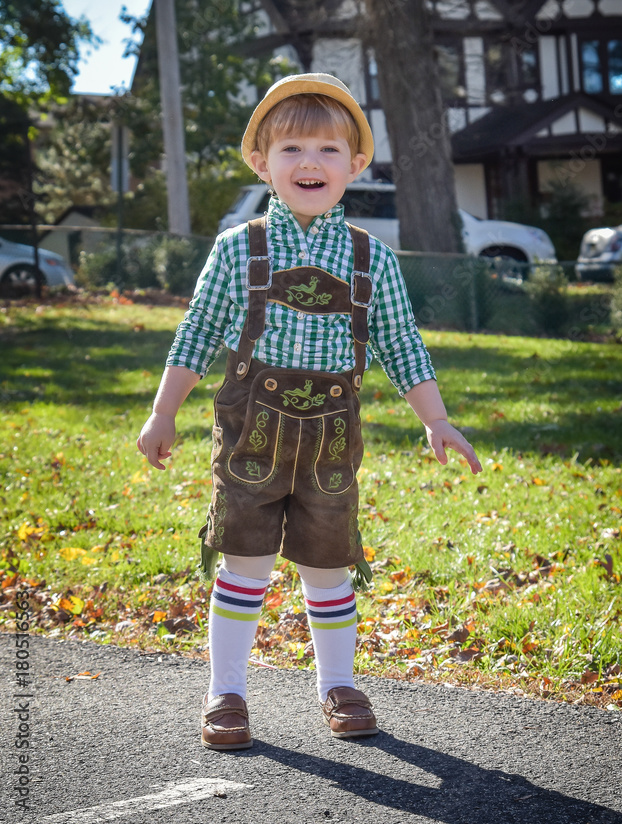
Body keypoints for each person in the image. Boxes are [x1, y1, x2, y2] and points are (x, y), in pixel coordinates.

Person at [137, 72, 481, 751]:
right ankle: (226, 693)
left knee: (328, 563)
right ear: (260, 163)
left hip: (330, 442)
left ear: (355, 164)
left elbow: (400, 344)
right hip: (250, 438)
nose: (309, 164)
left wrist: (434, 419)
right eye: (291, 149)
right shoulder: (238, 249)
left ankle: (338, 684)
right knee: (244, 563)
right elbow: (197, 333)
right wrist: (162, 414)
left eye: (327, 150)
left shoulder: (370, 260)